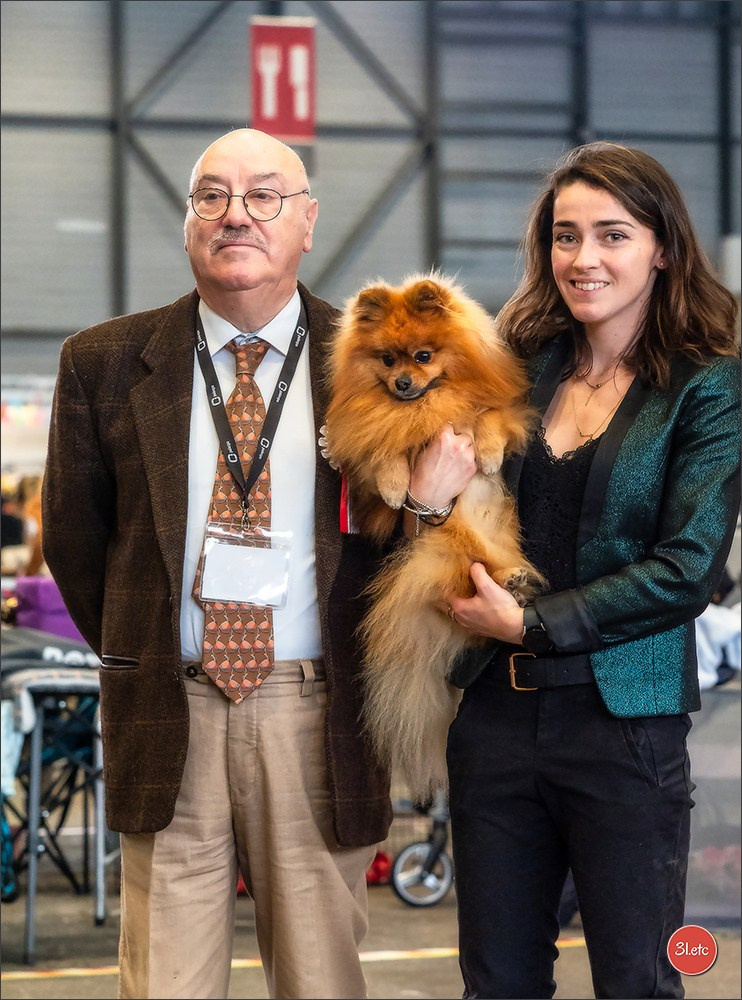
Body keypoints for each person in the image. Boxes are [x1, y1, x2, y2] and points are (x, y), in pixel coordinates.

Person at [41, 128, 393, 1000]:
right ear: (189, 220)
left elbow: (408, 538)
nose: (237, 214)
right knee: (164, 983)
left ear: (307, 222)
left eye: (265, 195)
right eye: (213, 196)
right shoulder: (103, 362)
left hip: (317, 709)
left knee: (321, 980)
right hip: (169, 704)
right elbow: (78, 544)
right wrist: (146, 646)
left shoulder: (376, 358)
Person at [406, 141, 740, 999]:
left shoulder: (708, 385)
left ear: (663, 246)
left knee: (638, 979)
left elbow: (687, 569)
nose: (583, 259)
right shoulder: (516, 366)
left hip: (623, 725)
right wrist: (425, 506)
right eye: (565, 236)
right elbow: (456, 514)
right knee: (499, 981)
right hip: (492, 718)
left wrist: (532, 623)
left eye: (612, 235)